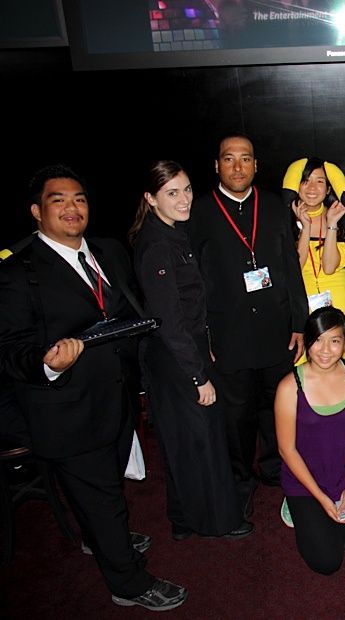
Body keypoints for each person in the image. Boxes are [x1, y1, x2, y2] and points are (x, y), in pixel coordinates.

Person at [0, 165, 187, 610]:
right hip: (65, 408)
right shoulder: (17, 270)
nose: (72, 208)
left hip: (116, 397)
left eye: (79, 199)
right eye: (58, 200)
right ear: (36, 211)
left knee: (104, 490)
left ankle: (101, 537)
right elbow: (9, 349)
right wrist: (47, 365)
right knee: (104, 498)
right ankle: (129, 583)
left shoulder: (108, 251)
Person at [129, 160, 253, 542]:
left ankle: (183, 518)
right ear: (151, 198)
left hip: (186, 350)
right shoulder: (156, 245)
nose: (184, 199)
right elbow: (168, 321)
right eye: (172, 193)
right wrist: (198, 377)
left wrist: (206, 346)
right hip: (176, 358)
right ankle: (219, 521)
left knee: (183, 440)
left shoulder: (173, 232)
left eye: (186, 190)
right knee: (202, 440)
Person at [188, 133, 308, 510]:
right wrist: (202, 335)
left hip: (276, 329)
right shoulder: (199, 213)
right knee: (236, 415)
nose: (238, 167)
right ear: (217, 165)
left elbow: (290, 267)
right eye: (229, 159)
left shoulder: (273, 206)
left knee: (277, 406)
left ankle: (275, 468)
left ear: (256, 165)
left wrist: (299, 322)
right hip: (229, 334)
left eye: (245, 159)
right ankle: (240, 481)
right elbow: (193, 283)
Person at [274, 306, 345, 574]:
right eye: (318, 340)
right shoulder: (289, 387)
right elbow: (287, 450)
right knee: (326, 562)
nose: (325, 350)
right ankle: (294, 506)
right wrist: (322, 499)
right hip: (305, 481)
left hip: (344, 475)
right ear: (307, 342)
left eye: (334, 341)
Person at [282, 156, 345, 363]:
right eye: (305, 180)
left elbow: (328, 267)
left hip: (340, 303)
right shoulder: (283, 221)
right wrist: (305, 228)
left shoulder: (339, 215)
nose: (312, 187)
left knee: (344, 369)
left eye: (320, 181)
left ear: (328, 189)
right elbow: (295, 268)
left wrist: (331, 224)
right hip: (304, 306)